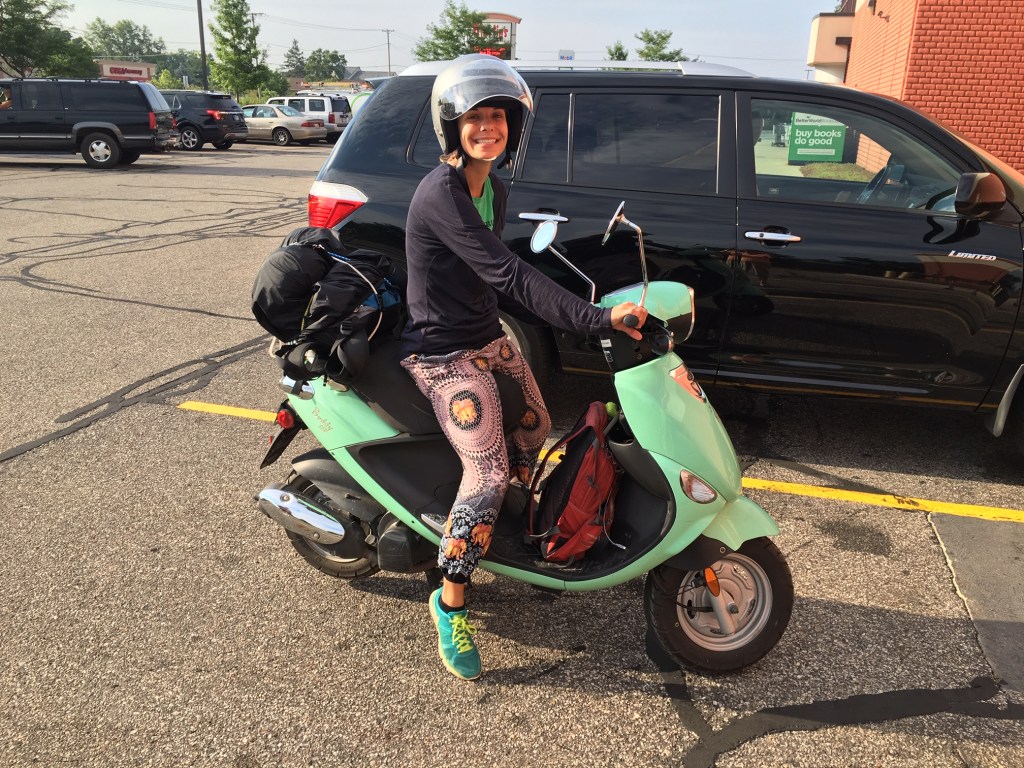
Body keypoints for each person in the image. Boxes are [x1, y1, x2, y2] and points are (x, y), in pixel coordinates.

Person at [399, 54, 647, 680]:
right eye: (475, 118)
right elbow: (508, 273)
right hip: (442, 352)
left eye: (499, 117)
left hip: (486, 337)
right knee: (485, 473)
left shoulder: (494, 187)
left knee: (537, 430)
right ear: (451, 125)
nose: (488, 128)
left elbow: (494, 282)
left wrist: (595, 302)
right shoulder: (441, 194)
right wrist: (592, 320)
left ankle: (513, 536)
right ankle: (450, 600)